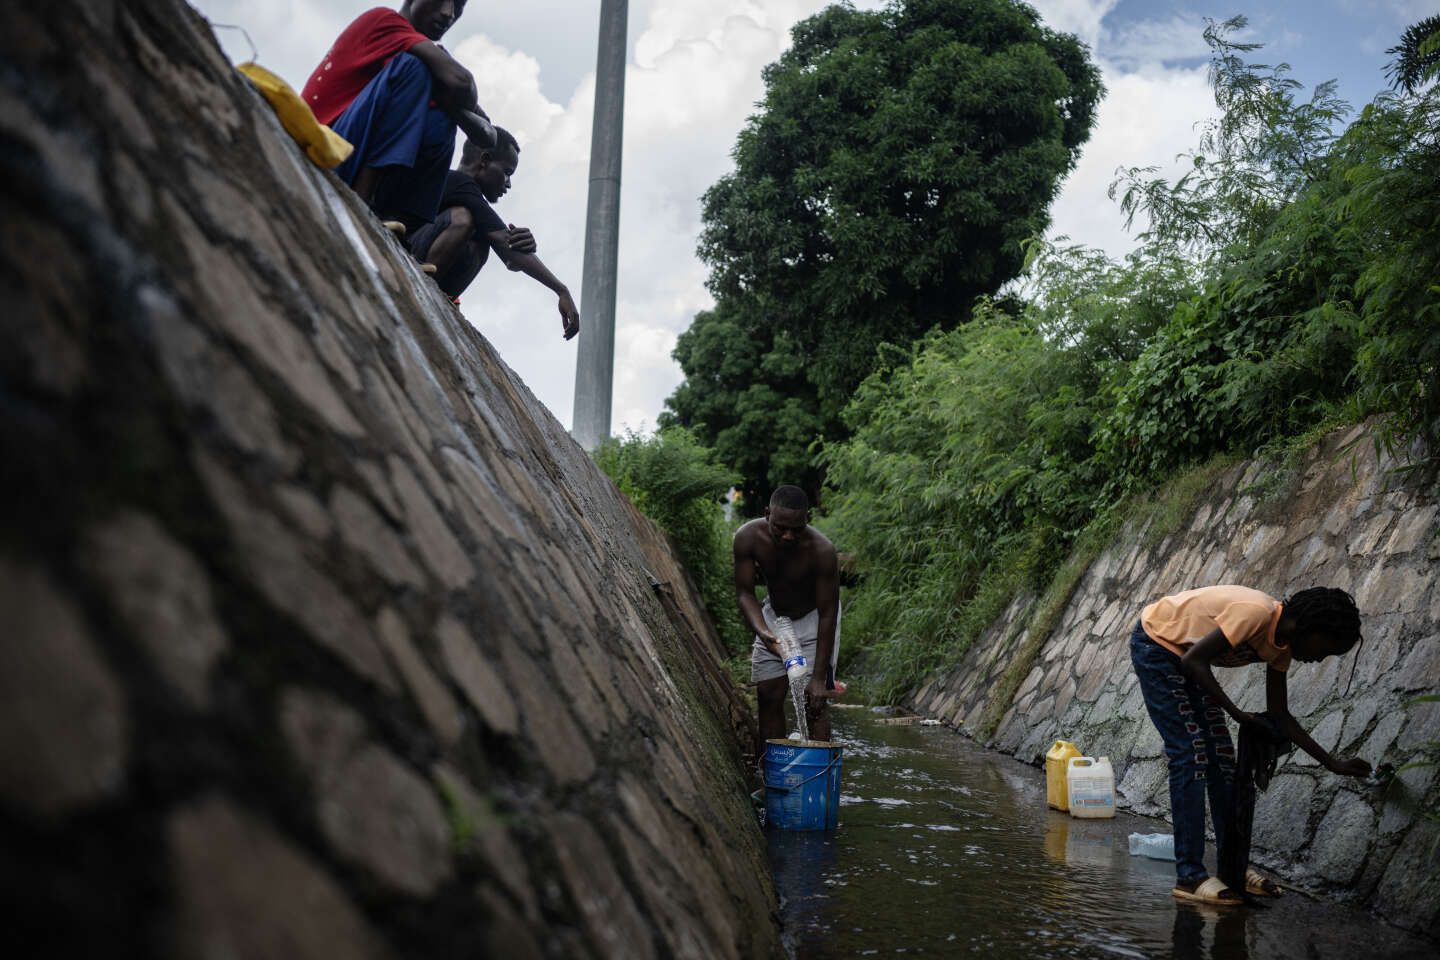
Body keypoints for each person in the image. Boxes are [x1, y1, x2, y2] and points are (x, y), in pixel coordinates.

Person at [1129, 584, 1370, 906]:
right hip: (1157, 644)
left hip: (1189, 659)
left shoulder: (1281, 649)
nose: (1318, 659)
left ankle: (1233, 868)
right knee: (1191, 753)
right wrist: (1237, 713)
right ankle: (1190, 876)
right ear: (1310, 627)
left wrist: (1332, 763)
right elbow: (1194, 661)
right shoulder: (1256, 613)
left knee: (1223, 759)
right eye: (1324, 649)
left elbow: (1280, 715)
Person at [300, 2, 493, 232]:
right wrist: (448, 88)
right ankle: (361, 199)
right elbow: (462, 83)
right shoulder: (384, 22)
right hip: (323, 147)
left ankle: (401, 222)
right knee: (415, 68)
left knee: (443, 116)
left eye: (458, 6)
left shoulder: (428, 59)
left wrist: (450, 102)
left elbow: (488, 135)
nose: (448, 13)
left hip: (350, 153)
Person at [408, 132, 580, 339]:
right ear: (485, 161)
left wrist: (520, 244)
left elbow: (510, 255)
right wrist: (561, 290)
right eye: (507, 172)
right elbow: (504, 243)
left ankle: (442, 297)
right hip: (407, 254)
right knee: (463, 219)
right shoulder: (458, 183)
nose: (508, 184)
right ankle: (422, 284)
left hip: (421, 252)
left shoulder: (469, 198)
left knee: (480, 241)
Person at [734, 486, 841, 750]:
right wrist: (763, 631)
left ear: (807, 520)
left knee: (814, 702)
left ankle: (818, 780)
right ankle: (772, 772)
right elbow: (745, 593)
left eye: (797, 529)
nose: (788, 535)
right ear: (767, 514)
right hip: (774, 618)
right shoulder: (747, 537)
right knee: (768, 695)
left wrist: (818, 679)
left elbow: (828, 613)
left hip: (814, 620)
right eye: (780, 527)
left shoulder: (823, 551)